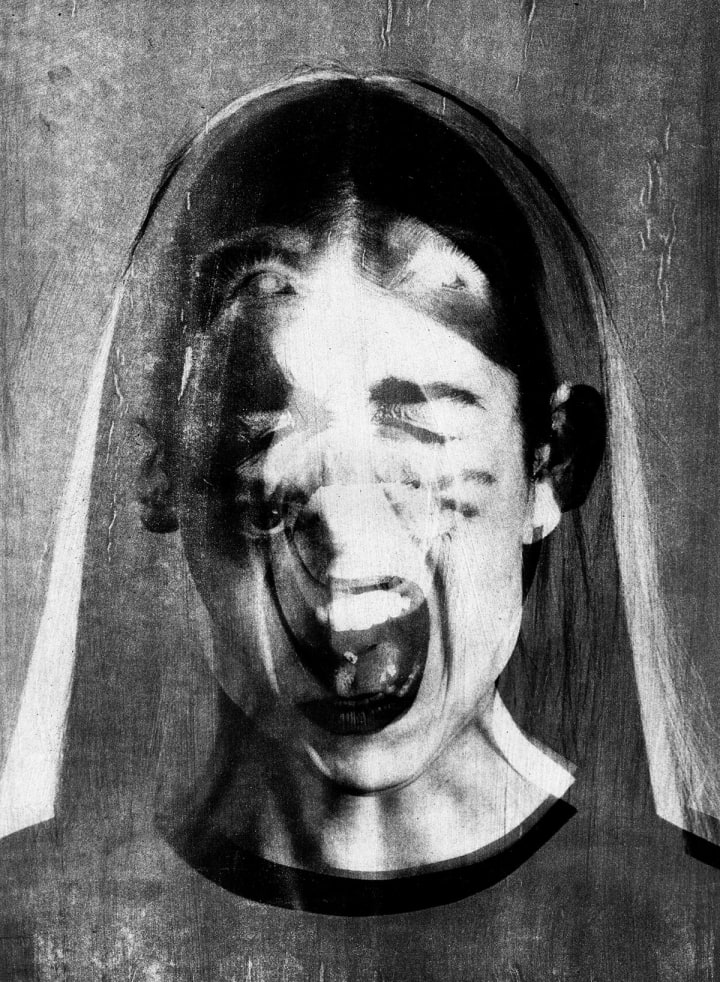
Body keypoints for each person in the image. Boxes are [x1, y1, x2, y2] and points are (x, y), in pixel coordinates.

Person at [0, 72, 718, 974]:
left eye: (417, 439)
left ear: (552, 463)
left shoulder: (688, 932)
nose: (342, 545)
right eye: (262, 443)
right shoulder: (35, 938)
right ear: (160, 470)